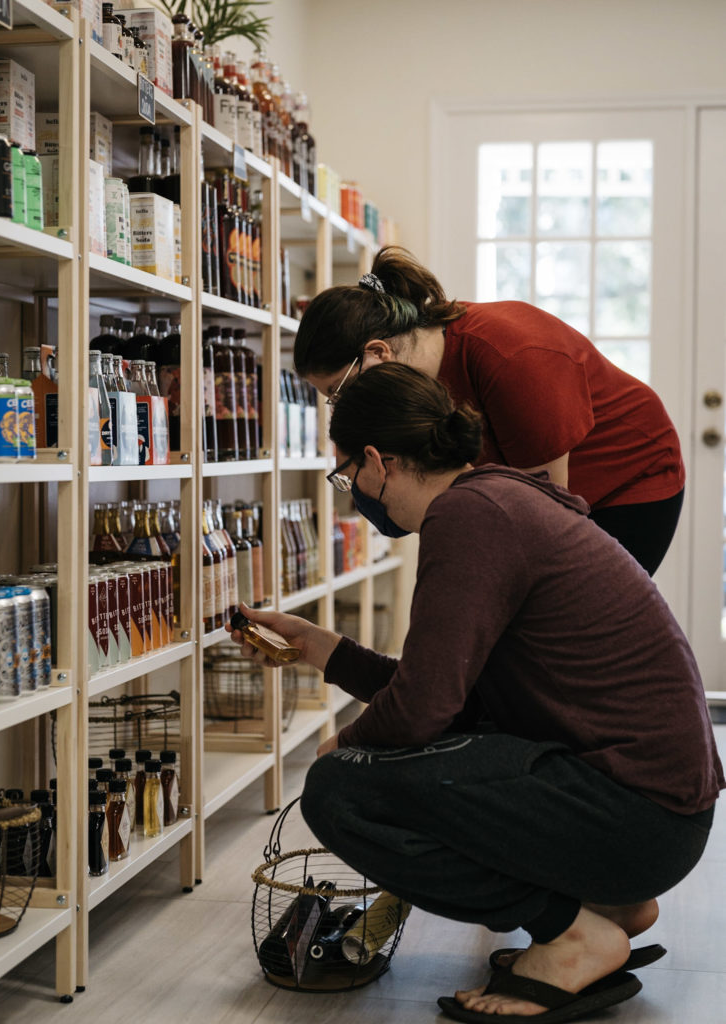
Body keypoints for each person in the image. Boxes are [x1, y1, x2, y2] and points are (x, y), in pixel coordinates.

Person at [227, 363, 723, 1023]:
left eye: (346, 476)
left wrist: (342, 748)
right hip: (652, 814)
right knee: (391, 761)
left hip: (636, 821)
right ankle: (604, 905)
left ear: (377, 460)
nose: (354, 493)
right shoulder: (495, 497)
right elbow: (447, 693)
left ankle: (573, 935)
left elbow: (422, 710)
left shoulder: (469, 518)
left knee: (339, 790)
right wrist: (323, 648)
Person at [293, 246, 685, 576]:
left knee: (570, 620)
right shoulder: (410, 381)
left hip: (626, 477)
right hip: (540, 491)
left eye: (339, 390)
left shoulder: (509, 357)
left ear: (378, 352)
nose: (342, 406)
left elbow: (545, 516)